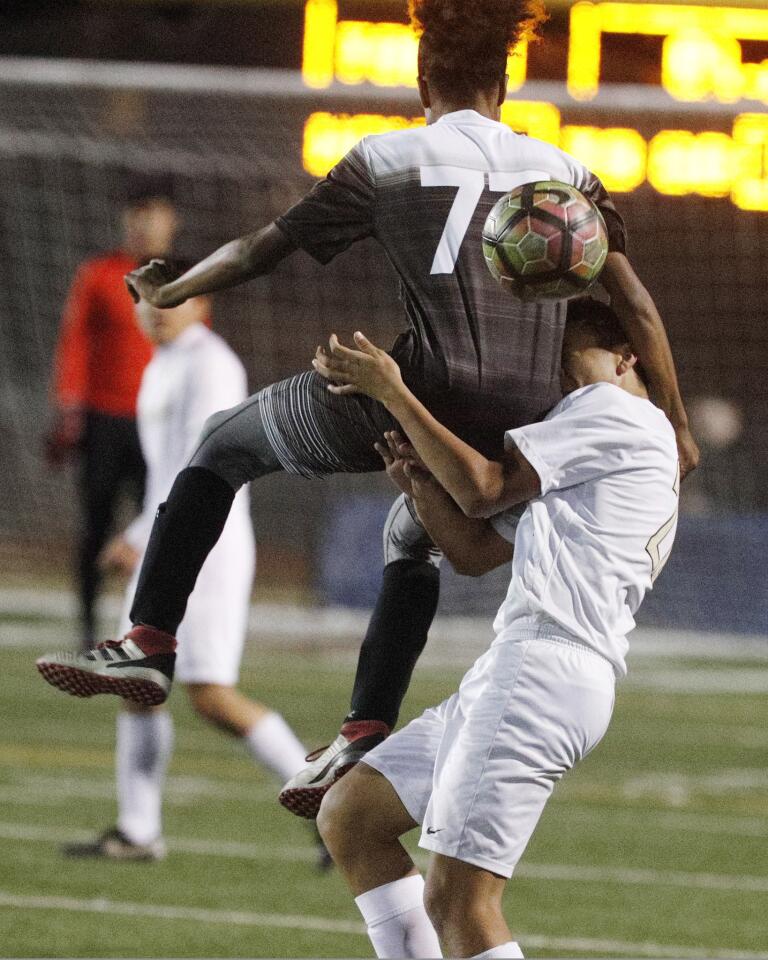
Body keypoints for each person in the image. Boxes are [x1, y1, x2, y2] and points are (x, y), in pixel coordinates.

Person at [36, 0, 697, 819]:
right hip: (526, 421)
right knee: (408, 535)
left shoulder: (385, 157)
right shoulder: (567, 172)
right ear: (507, 79)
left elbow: (260, 250)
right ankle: (364, 726)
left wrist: (173, 286)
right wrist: (675, 421)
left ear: (422, 79)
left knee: (221, 446)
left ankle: (148, 640)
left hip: (412, 392)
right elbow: (632, 300)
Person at [314, 299, 680, 959]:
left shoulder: (613, 411)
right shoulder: (597, 443)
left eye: (566, 351)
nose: (551, 371)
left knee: (460, 902)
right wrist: (421, 484)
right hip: (530, 669)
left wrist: (394, 393)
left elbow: (483, 488)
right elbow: (475, 550)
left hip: (542, 672)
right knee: (352, 817)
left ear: (624, 358)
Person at [61, 296, 312, 862]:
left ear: (203, 302)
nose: (155, 310)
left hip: (206, 547)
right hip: (163, 538)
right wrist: (137, 530)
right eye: (145, 299)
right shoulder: (162, 362)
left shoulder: (211, 364)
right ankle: (138, 831)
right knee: (138, 683)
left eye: (171, 297)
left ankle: (327, 800)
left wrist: (145, 537)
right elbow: (165, 466)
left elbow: (202, 465)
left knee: (211, 697)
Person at [46, 176, 178, 649]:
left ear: (171, 221)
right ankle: (86, 624)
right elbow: (74, 341)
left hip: (158, 427)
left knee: (157, 527)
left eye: (155, 213)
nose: (145, 224)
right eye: (137, 214)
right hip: (105, 420)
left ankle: (140, 626)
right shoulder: (100, 274)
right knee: (95, 526)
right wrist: (69, 404)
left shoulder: (186, 279)